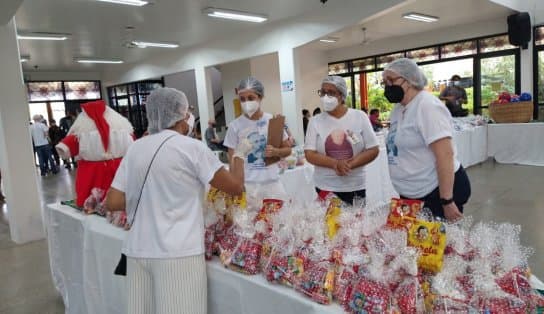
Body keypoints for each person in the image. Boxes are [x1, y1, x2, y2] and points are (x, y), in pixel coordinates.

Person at [106, 87, 249, 314]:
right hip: (177, 253)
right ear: (182, 115)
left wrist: (154, 197)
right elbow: (235, 188)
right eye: (188, 110)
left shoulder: (135, 148)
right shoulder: (191, 148)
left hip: (137, 251)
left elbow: (112, 201)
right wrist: (239, 155)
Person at [383, 58, 471, 221]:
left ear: (409, 80)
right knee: (414, 244)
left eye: (391, 80)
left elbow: (445, 155)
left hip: (437, 192)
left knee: (436, 244)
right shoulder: (398, 109)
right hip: (412, 193)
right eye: (384, 82)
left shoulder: (427, 106)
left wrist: (447, 200)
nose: (387, 86)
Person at [304, 76, 379, 205]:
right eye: (323, 92)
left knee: (356, 223)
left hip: (355, 185)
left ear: (342, 95)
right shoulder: (315, 121)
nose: (326, 96)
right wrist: (335, 163)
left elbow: (373, 149)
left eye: (331, 93)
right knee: (327, 224)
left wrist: (349, 165)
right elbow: (309, 154)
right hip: (325, 186)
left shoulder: (359, 116)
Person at [223, 77, 292, 203]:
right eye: (242, 99)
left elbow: (287, 150)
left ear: (260, 97)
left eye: (251, 98)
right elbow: (232, 163)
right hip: (248, 187)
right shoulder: (234, 126)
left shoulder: (272, 121)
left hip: (273, 185)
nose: (246, 102)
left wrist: (276, 152)